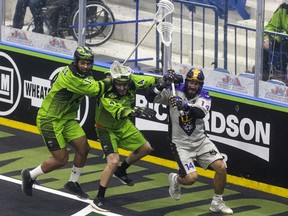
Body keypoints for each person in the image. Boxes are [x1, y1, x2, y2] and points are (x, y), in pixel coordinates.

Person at [21, 46, 112, 199]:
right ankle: (30, 175)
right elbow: (96, 89)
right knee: (61, 159)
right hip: (49, 119)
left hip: (67, 118)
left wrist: (108, 80)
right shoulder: (71, 77)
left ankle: (73, 182)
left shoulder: (83, 75)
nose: (86, 66)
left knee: (83, 148)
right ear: (75, 62)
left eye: (89, 63)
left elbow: (94, 86)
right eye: (83, 63)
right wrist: (111, 79)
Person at [146, 68, 233, 215]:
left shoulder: (205, 96)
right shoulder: (173, 91)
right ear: (186, 82)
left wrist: (184, 105)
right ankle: (175, 179)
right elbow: (149, 97)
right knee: (191, 178)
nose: (194, 86)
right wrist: (161, 85)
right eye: (191, 82)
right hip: (180, 144)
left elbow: (199, 113)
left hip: (200, 141)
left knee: (221, 168)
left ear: (201, 85)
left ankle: (217, 202)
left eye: (197, 83)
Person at [90, 62, 157, 211]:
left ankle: (122, 171)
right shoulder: (106, 94)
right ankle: (99, 198)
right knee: (113, 162)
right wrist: (136, 111)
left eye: (125, 85)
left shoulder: (132, 83)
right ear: (113, 81)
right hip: (105, 129)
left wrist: (164, 79)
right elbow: (120, 111)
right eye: (119, 85)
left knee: (146, 148)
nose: (122, 88)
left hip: (122, 126)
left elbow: (150, 80)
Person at [263, 2, 288, 81]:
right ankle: (262, 74)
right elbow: (271, 26)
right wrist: (268, 39)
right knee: (265, 44)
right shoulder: (284, 7)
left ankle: (281, 78)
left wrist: (283, 35)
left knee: (284, 44)